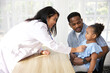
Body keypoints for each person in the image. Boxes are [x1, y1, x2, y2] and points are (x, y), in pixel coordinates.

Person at [0, 6, 86, 73]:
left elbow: (32, 40)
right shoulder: (39, 26)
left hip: (12, 51)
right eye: (54, 19)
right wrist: (76, 49)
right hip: (10, 52)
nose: (55, 22)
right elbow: (53, 45)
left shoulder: (36, 24)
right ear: (47, 17)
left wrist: (40, 50)